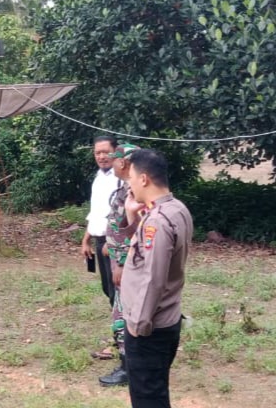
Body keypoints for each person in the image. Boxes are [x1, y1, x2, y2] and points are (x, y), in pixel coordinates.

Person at [121, 148, 193, 408]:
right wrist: (132, 216)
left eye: (130, 177)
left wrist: (137, 326)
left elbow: (153, 278)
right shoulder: (175, 209)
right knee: (155, 392)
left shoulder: (158, 221)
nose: (129, 183)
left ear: (144, 179)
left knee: (148, 399)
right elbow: (145, 253)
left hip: (149, 326)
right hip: (166, 319)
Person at [98, 142, 139, 386]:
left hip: (127, 264)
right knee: (121, 310)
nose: (110, 162)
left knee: (124, 314)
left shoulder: (134, 192)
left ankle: (128, 368)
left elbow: (135, 231)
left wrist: (121, 263)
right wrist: (108, 243)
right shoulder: (124, 188)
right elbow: (117, 222)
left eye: (113, 159)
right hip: (118, 258)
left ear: (122, 162)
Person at [82, 135, 120, 308]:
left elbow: (124, 214)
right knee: (107, 287)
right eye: (98, 152)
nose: (101, 156)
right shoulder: (98, 178)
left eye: (106, 152)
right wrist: (86, 239)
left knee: (117, 288)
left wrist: (113, 241)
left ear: (115, 152)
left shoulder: (121, 179)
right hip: (100, 240)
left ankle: (123, 331)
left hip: (115, 241)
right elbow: (96, 212)